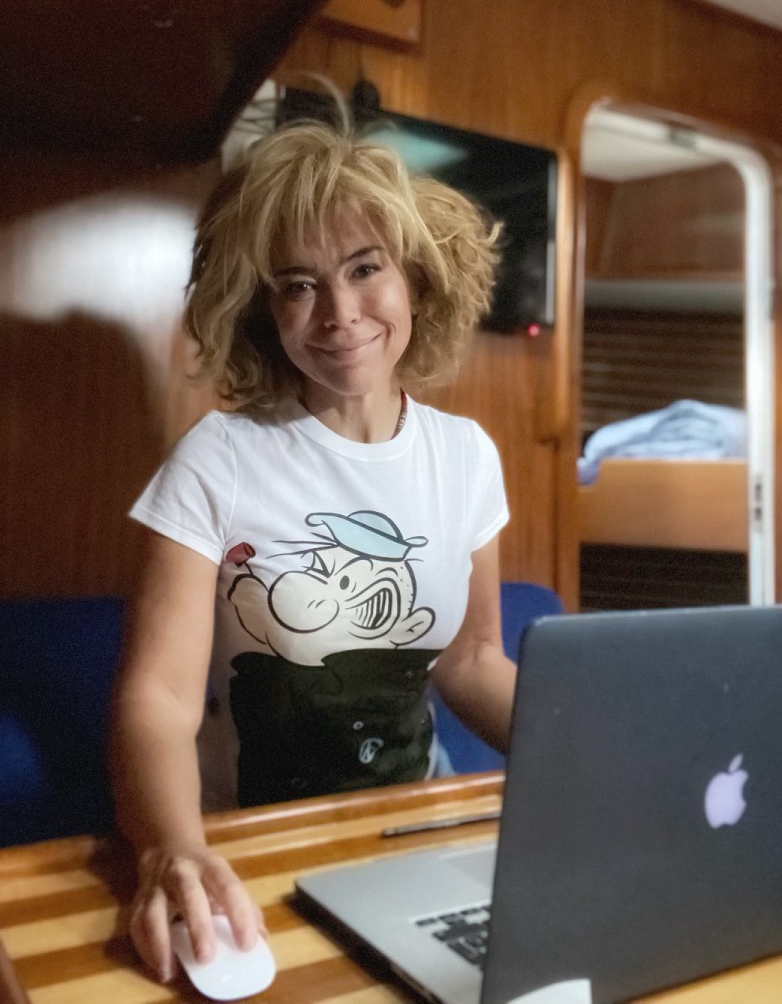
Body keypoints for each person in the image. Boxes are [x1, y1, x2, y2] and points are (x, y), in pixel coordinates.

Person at [110, 115, 518, 984]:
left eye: (365, 269)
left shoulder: (466, 454)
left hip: (411, 826)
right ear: (266, 312)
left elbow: (471, 660)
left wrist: (597, 758)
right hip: (248, 840)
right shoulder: (218, 459)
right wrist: (172, 850)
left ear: (414, 278)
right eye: (298, 285)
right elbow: (158, 696)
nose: (338, 314)